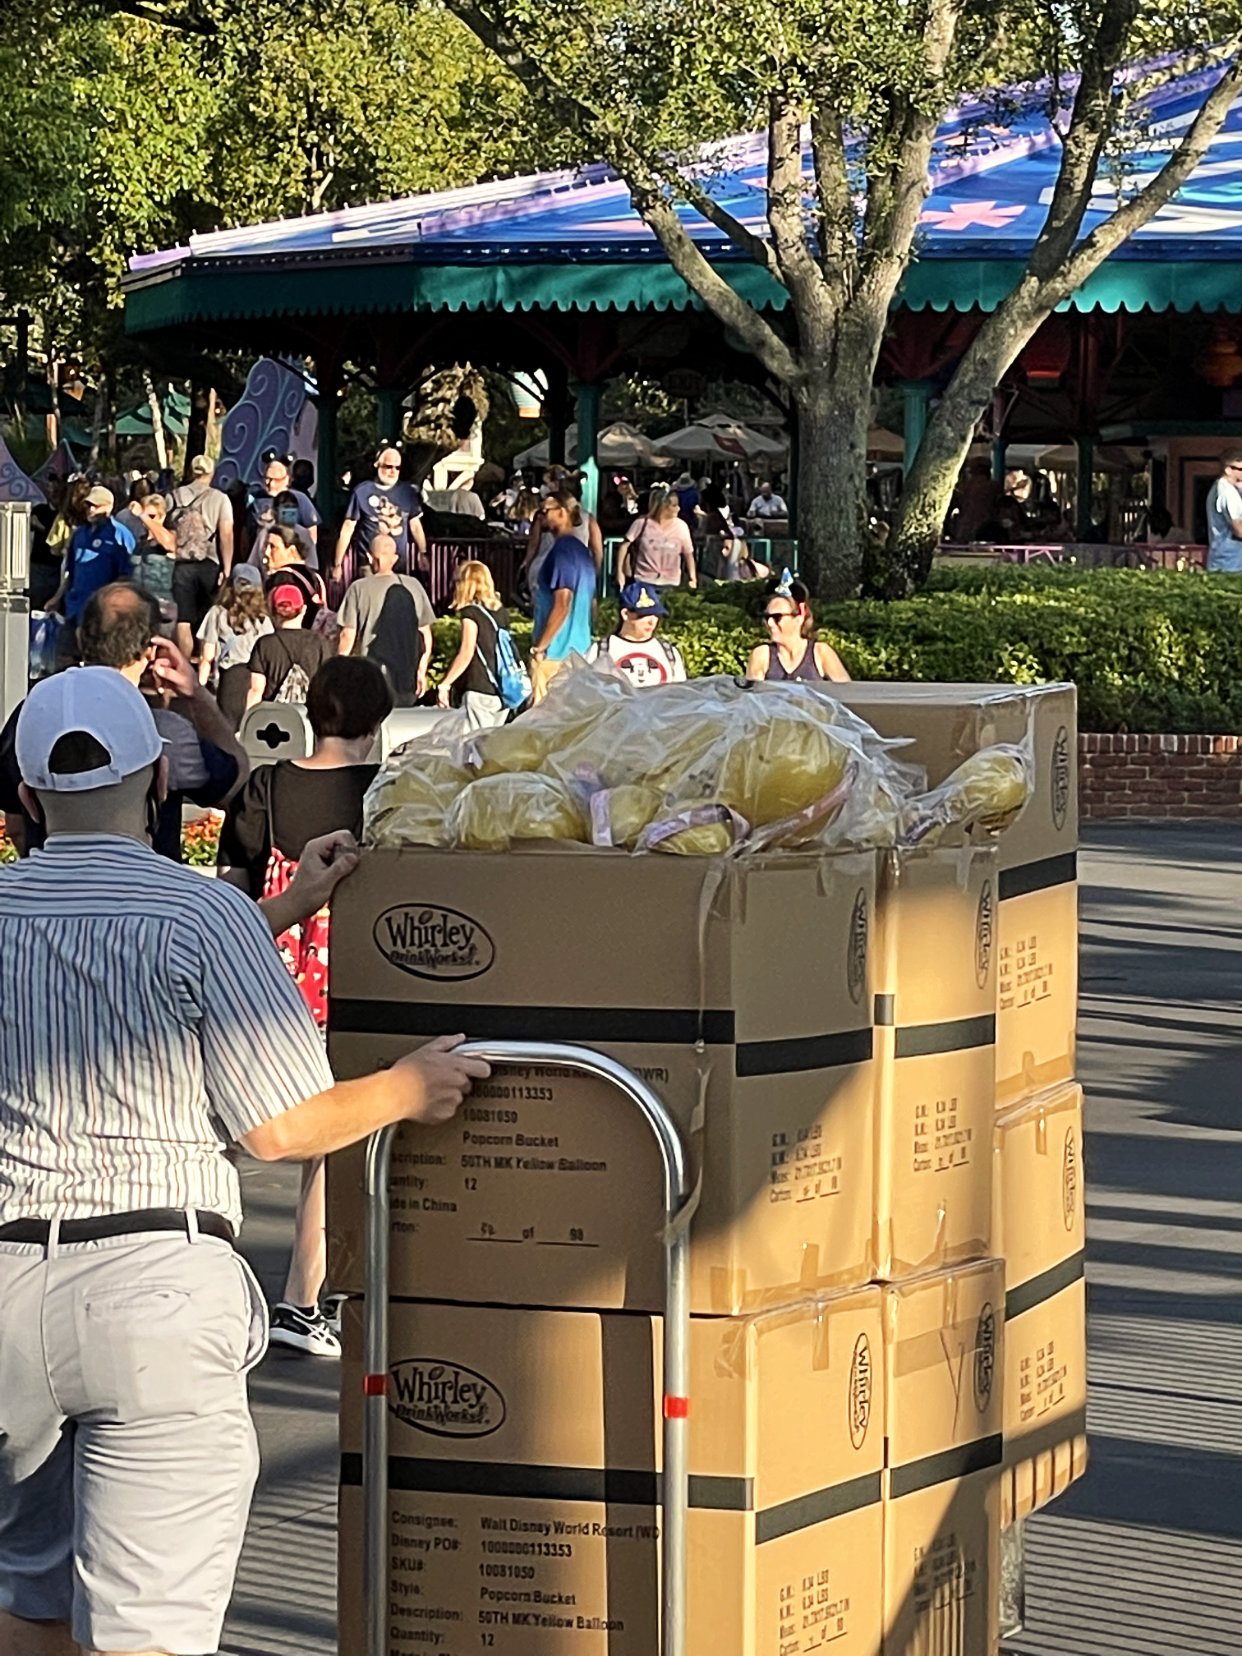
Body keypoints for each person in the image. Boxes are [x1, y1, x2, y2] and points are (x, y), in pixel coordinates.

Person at [0, 666, 489, 1656]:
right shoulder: (199, 915)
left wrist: (293, 901)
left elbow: (110, 964)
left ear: (26, 797)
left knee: (26, 1591)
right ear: (157, 780)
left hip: (8, 1283)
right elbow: (281, 1128)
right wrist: (408, 1088)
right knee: (147, 1626)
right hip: (155, 1288)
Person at [218, 657, 393, 1355]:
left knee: (233, 1123)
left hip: (271, 968)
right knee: (335, 1125)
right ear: (377, 723)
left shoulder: (265, 785)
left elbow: (234, 884)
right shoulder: (383, 791)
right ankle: (302, 1297)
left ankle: (222, 1278)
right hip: (354, 972)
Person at [336, 531, 434, 705]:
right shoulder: (413, 586)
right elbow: (425, 634)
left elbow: (347, 636)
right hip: (406, 677)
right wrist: (421, 669)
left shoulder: (358, 588)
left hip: (370, 678)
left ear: (369, 557)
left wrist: (338, 672)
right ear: (395, 558)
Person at [531, 493, 598, 700]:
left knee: (543, 717)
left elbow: (562, 604)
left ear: (562, 512)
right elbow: (592, 605)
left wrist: (540, 647)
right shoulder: (582, 552)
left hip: (555, 655)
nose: (541, 516)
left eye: (545, 511)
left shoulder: (562, 552)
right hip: (581, 651)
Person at [436, 559, 515, 728]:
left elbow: (467, 652)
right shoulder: (501, 612)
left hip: (480, 687)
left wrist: (445, 684)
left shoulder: (470, 613)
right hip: (502, 689)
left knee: (475, 741)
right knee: (492, 740)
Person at [45, 485, 134, 632]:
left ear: (109, 506)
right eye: (88, 505)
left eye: (96, 506)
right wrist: (57, 597)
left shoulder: (120, 535)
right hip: (74, 607)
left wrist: (111, 602)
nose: (91, 510)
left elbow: (126, 576)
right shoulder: (79, 534)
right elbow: (70, 572)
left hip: (102, 612)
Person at [333, 445, 426, 582]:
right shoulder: (362, 491)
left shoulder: (408, 492)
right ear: (377, 465)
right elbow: (348, 528)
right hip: (369, 564)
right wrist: (338, 563)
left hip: (398, 564)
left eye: (397, 467)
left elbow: (416, 526)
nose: (393, 471)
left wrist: (423, 553)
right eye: (388, 466)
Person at [197, 565, 275, 729]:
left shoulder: (217, 613)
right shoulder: (264, 620)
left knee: (226, 732)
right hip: (255, 682)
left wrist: (199, 689)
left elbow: (207, 658)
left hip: (228, 681)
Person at [745, 573, 850, 683]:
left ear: (799, 618)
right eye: (767, 617)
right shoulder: (762, 655)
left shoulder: (820, 652)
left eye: (777, 617)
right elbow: (753, 692)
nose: (770, 623)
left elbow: (848, 690)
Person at [246, 581, 333, 707]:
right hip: (309, 714)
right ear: (303, 609)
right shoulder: (319, 642)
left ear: (273, 612)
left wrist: (249, 717)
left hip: (273, 715)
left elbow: (256, 690)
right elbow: (327, 686)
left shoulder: (264, 644)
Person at [587, 581, 687, 687]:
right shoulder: (600, 651)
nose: (652, 621)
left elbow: (680, 693)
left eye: (656, 615)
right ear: (625, 614)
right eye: (644, 615)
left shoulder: (669, 652)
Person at [167, 453, 235, 582]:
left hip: (180, 563)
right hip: (209, 562)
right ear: (212, 473)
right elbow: (226, 535)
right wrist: (227, 569)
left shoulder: (173, 496)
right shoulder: (220, 498)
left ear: (191, 471)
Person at [246, 452, 319, 560]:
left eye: (276, 480)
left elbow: (312, 531)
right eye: (267, 479)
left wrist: (307, 557)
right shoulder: (256, 499)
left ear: (287, 479)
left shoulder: (299, 499)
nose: (271, 484)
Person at [620, 490, 697, 589]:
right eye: (674, 505)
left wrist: (692, 578)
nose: (678, 509)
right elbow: (624, 546)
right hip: (643, 580)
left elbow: (688, 554)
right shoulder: (642, 523)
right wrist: (620, 573)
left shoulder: (681, 526)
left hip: (671, 582)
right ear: (663, 507)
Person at [1206, 454, 1242, 571]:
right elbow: (1238, 529)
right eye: (1241, 469)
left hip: (1223, 556)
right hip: (1230, 561)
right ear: (1228, 470)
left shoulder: (1219, 488)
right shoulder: (1228, 493)